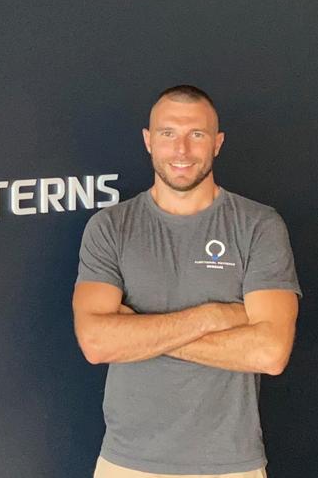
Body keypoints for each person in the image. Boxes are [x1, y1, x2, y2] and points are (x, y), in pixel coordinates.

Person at [72, 85, 302, 478]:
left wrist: (138, 331)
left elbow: (270, 353)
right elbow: (96, 343)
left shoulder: (259, 226)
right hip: (127, 463)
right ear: (148, 141)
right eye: (167, 134)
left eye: (196, 134)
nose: (181, 150)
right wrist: (217, 315)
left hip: (232, 465)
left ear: (217, 143)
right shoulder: (110, 227)